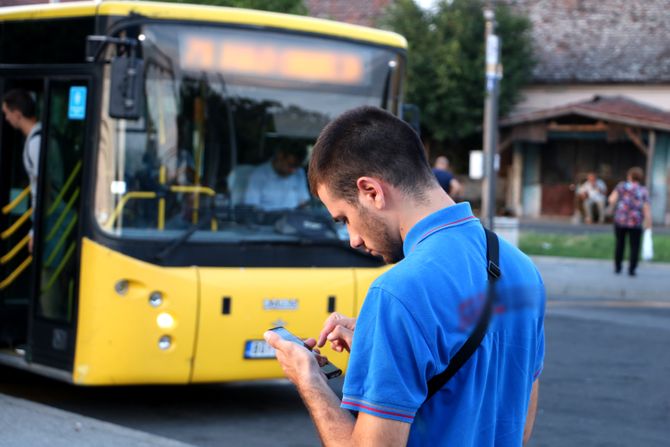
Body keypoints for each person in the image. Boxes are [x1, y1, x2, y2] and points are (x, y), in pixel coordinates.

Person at [264, 106, 545, 446]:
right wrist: (381, 345)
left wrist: (308, 379)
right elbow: (520, 423)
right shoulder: (522, 268)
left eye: (344, 219)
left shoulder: (396, 293)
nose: (352, 238)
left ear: (371, 192)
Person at [2, 88, 41, 253]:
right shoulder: (37, 138)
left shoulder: (36, 143)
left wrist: (35, 231)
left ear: (17, 114)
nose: (6, 118)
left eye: (7, 113)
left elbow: (41, 190)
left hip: (50, 224)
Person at [608, 167, 651, 276]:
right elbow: (646, 208)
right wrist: (648, 223)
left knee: (620, 244)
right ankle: (632, 269)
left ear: (629, 176)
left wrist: (616, 207)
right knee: (634, 246)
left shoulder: (621, 186)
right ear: (640, 178)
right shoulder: (643, 190)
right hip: (635, 222)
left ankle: (618, 267)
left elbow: (611, 200)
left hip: (620, 220)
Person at [242, 145, 311, 211]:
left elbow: (303, 203)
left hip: (293, 219)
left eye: (297, 166)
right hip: (266, 220)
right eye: (290, 165)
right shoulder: (259, 175)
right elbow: (252, 208)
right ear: (280, 156)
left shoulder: (299, 173)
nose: (293, 171)